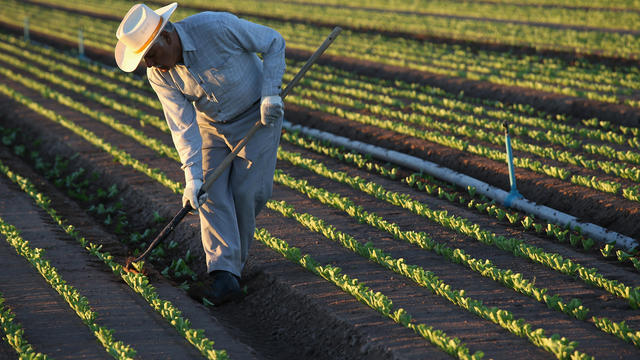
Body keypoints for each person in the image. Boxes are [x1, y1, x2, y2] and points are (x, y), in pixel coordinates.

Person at [115, 3, 285, 304]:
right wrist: (191, 179)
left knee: (248, 194)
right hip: (211, 124)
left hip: (257, 116)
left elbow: (273, 41)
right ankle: (224, 274)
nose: (151, 64)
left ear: (166, 36)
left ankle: (234, 267)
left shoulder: (216, 28)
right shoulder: (160, 75)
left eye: (151, 55)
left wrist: (271, 92)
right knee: (209, 191)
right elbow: (181, 126)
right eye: (144, 60)